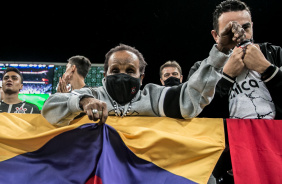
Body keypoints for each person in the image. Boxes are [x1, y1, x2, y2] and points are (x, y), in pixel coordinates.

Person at [187, 0, 282, 183]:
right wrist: (226, 77)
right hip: (231, 166)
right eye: (230, 32)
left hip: (276, 154)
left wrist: (267, 69)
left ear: (252, 26)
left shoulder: (275, 54)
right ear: (216, 35)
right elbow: (196, 117)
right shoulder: (202, 70)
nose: (240, 35)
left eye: (246, 28)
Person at [41, 43, 227, 127]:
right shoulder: (92, 95)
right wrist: (83, 101)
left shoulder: (153, 97)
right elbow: (50, 108)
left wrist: (221, 51)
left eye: (130, 71)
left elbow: (190, 97)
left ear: (141, 77)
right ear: (105, 75)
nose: (122, 76)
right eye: (115, 71)